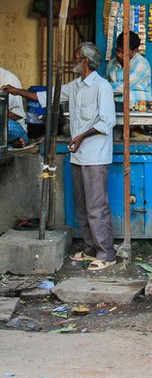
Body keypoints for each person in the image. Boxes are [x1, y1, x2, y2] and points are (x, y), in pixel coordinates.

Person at [2, 42, 117, 270]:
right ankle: (90, 248)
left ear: (85, 61)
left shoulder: (101, 87)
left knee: (97, 206)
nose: (74, 61)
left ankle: (106, 253)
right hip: (78, 155)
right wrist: (17, 91)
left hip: (95, 155)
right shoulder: (75, 86)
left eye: (76, 57)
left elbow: (106, 122)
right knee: (82, 206)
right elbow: (47, 96)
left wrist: (81, 136)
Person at [106, 31, 152, 109]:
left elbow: (123, 87)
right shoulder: (111, 64)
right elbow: (104, 85)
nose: (119, 55)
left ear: (134, 50)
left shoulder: (141, 64)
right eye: (117, 51)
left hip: (138, 108)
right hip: (115, 106)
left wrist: (106, 88)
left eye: (123, 52)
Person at [0, 66, 29, 148]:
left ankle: (19, 140)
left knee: (4, 125)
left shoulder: (8, 79)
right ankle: (12, 143)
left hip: (14, 125)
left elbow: (15, 115)